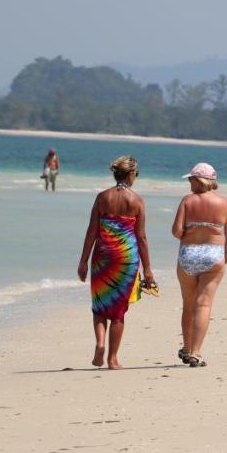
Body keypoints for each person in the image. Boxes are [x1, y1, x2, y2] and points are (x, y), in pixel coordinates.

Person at [77, 156, 155, 369]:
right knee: (118, 311)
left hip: (103, 256)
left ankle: (100, 343)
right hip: (127, 259)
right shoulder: (137, 201)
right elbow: (141, 237)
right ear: (131, 175)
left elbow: (92, 231)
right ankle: (112, 359)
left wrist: (83, 261)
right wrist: (147, 269)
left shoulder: (102, 197)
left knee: (100, 305)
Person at [171, 162, 227, 368]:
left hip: (188, 254)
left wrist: (191, 231)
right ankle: (196, 353)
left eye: (191, 179)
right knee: (204, 304)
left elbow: (176, 231)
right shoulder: (223, 203)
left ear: (199, 181)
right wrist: (226, 253)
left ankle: (188, 348)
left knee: (189, 305)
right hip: (213, 254)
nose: (189, 182)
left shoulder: (187, 201)